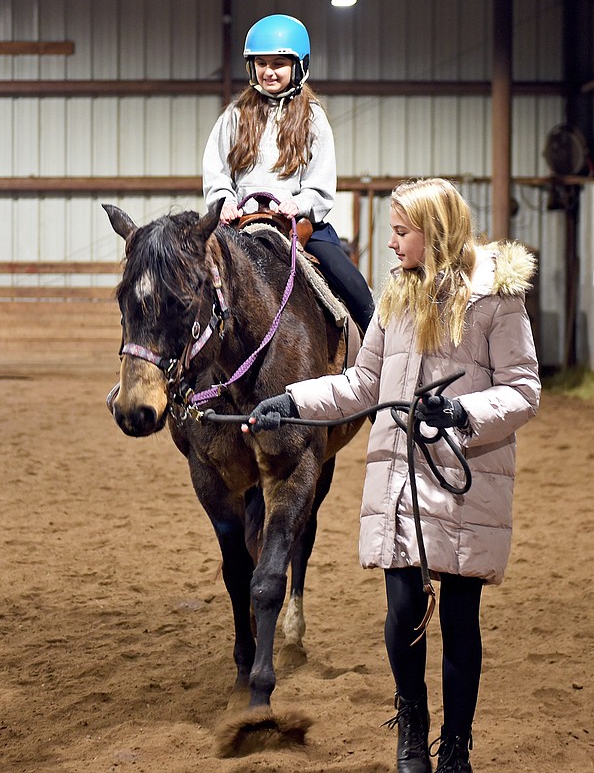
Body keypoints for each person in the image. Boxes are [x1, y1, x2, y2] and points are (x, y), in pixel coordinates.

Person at [245, 177, 540, 772]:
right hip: (402, 480)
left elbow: (524, 389)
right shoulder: (395, 299)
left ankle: (455, 747)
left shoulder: (496, 302)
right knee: (403, 612)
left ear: (435, 234)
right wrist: (291, 401)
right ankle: (411, 736)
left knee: (459, 621)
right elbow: (363, 384)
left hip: (465, 477)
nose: (391, 245)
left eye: (401, 232)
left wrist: (463, 412)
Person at [202, 13, 375, 334]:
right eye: (262, 62)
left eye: (279, 63)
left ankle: (376, 346)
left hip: (300, 225)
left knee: (354, 287)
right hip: (241, 223)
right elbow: (217, 172)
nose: (269, 71)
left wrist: (302, 202)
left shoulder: (312, 118)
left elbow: (321, 183)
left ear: (299, 66)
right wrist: (223, 200)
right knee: (192, 280)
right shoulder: (234, 116)